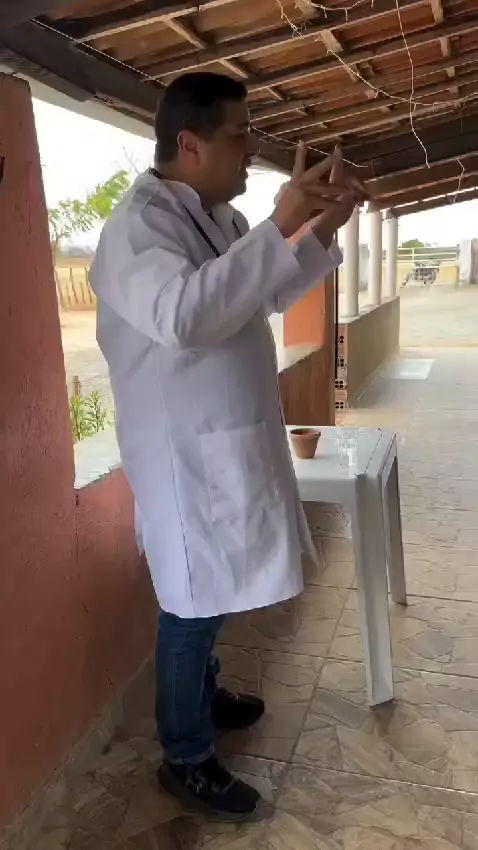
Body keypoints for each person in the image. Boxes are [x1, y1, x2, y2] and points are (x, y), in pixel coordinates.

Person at [89, 71, 364, 821]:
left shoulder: (218, 217)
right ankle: (186, 756)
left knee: (211, 594)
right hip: (181, 458)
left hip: (221, 442)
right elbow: (183, 316)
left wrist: (323, 226)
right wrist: (281, 222)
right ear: (190, 143)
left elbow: (261, 291)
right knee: (189, 605)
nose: (252, 151)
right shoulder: (139, 227)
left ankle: (204, 699)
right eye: (240, 135)